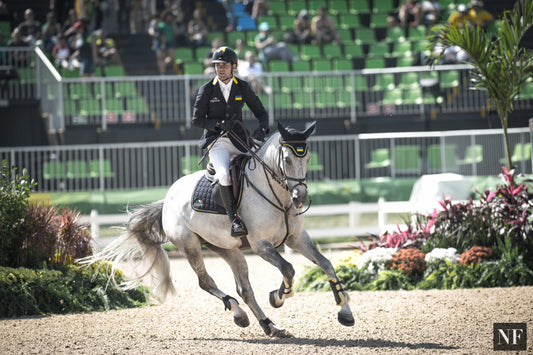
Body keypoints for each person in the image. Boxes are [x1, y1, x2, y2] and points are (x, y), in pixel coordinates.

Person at [192, 46, 269, 237]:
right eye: (217, 65)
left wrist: (262, 129)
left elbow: (261, 112)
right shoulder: (207, 90)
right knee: (225, 175)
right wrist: (217, 123)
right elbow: (197, 120)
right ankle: (233, 218)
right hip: (217, 142)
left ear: (233, 66)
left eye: (224, 65)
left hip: (239, 139)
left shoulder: (242, 86)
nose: (220, 69)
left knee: (259, 168)